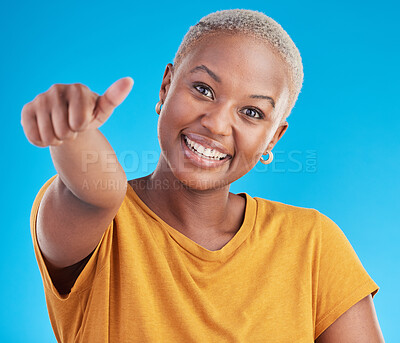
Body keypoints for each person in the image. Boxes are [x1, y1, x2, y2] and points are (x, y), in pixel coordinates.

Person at [22, 9, 384, 343]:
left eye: (252, 112)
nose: (216, 123)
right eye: (203, 90)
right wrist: (72, 132)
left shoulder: (313, 244)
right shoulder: (105, 228)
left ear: (273, 138)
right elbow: (98, 191)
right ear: (166, 87)